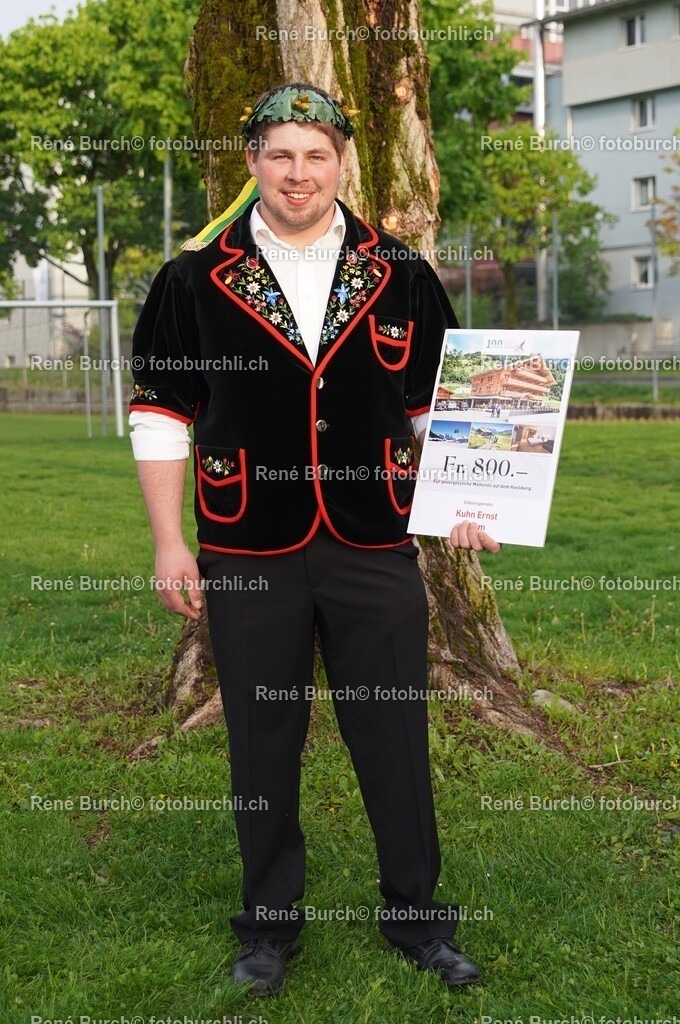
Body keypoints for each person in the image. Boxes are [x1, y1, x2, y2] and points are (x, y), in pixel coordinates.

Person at [128, 82, 500, 997]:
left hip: (375, 540)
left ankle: (417, 920)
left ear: (342, 162)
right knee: (261, 738)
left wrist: (473, 492)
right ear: (252, 160)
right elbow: (160, 416)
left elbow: (438, 407)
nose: (299, 174)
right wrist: (171, 544)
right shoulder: (192, 278)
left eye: (316, 155)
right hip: (250, 544)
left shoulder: (401, 271)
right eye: (280, 155)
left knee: (395, 736)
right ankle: (267, 928)